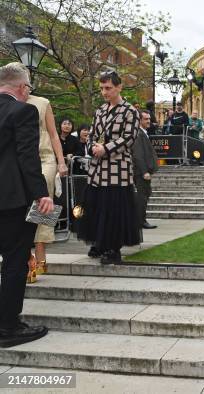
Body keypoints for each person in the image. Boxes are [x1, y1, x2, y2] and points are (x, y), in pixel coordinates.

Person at [0, 62, 54, 348]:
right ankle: (8, 326)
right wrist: (41, 193)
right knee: (14, 261)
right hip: (10, 201)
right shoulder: (23, 110)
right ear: (22, 88)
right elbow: (27, 156)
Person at [77, 71, 141, 264]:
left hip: (117, 169)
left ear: (119, 87)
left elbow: (129, 137)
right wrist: (91, 146)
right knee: (95, 207)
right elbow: (91, 134)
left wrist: (105, 148)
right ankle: (99, 241)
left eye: (108, 88)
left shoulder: (130, 111)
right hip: (97, 169)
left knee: (113, 209)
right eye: (102, 88)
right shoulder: (100, 110)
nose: (104, 92)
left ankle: (113, 248)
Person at [27, 95, 68, 276]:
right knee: (22, 205)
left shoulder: (43, 102)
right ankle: (26, 257)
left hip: (45, 157)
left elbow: (53, 134)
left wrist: (61, 161)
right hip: (21, 158)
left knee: (44, 203)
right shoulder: (7, 100)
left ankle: (41, 251)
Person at [133, 110, 159, 230]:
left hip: (144, 172)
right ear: (139, 120)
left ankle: (140, 220)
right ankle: (140, 221)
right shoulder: (138, 134)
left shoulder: (144, 133)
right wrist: (144, 172)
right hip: (140, 173)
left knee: (144, 196)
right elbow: (138, 155)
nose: (148, 121)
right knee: (142, 197)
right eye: (145, 119)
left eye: (149, 119)